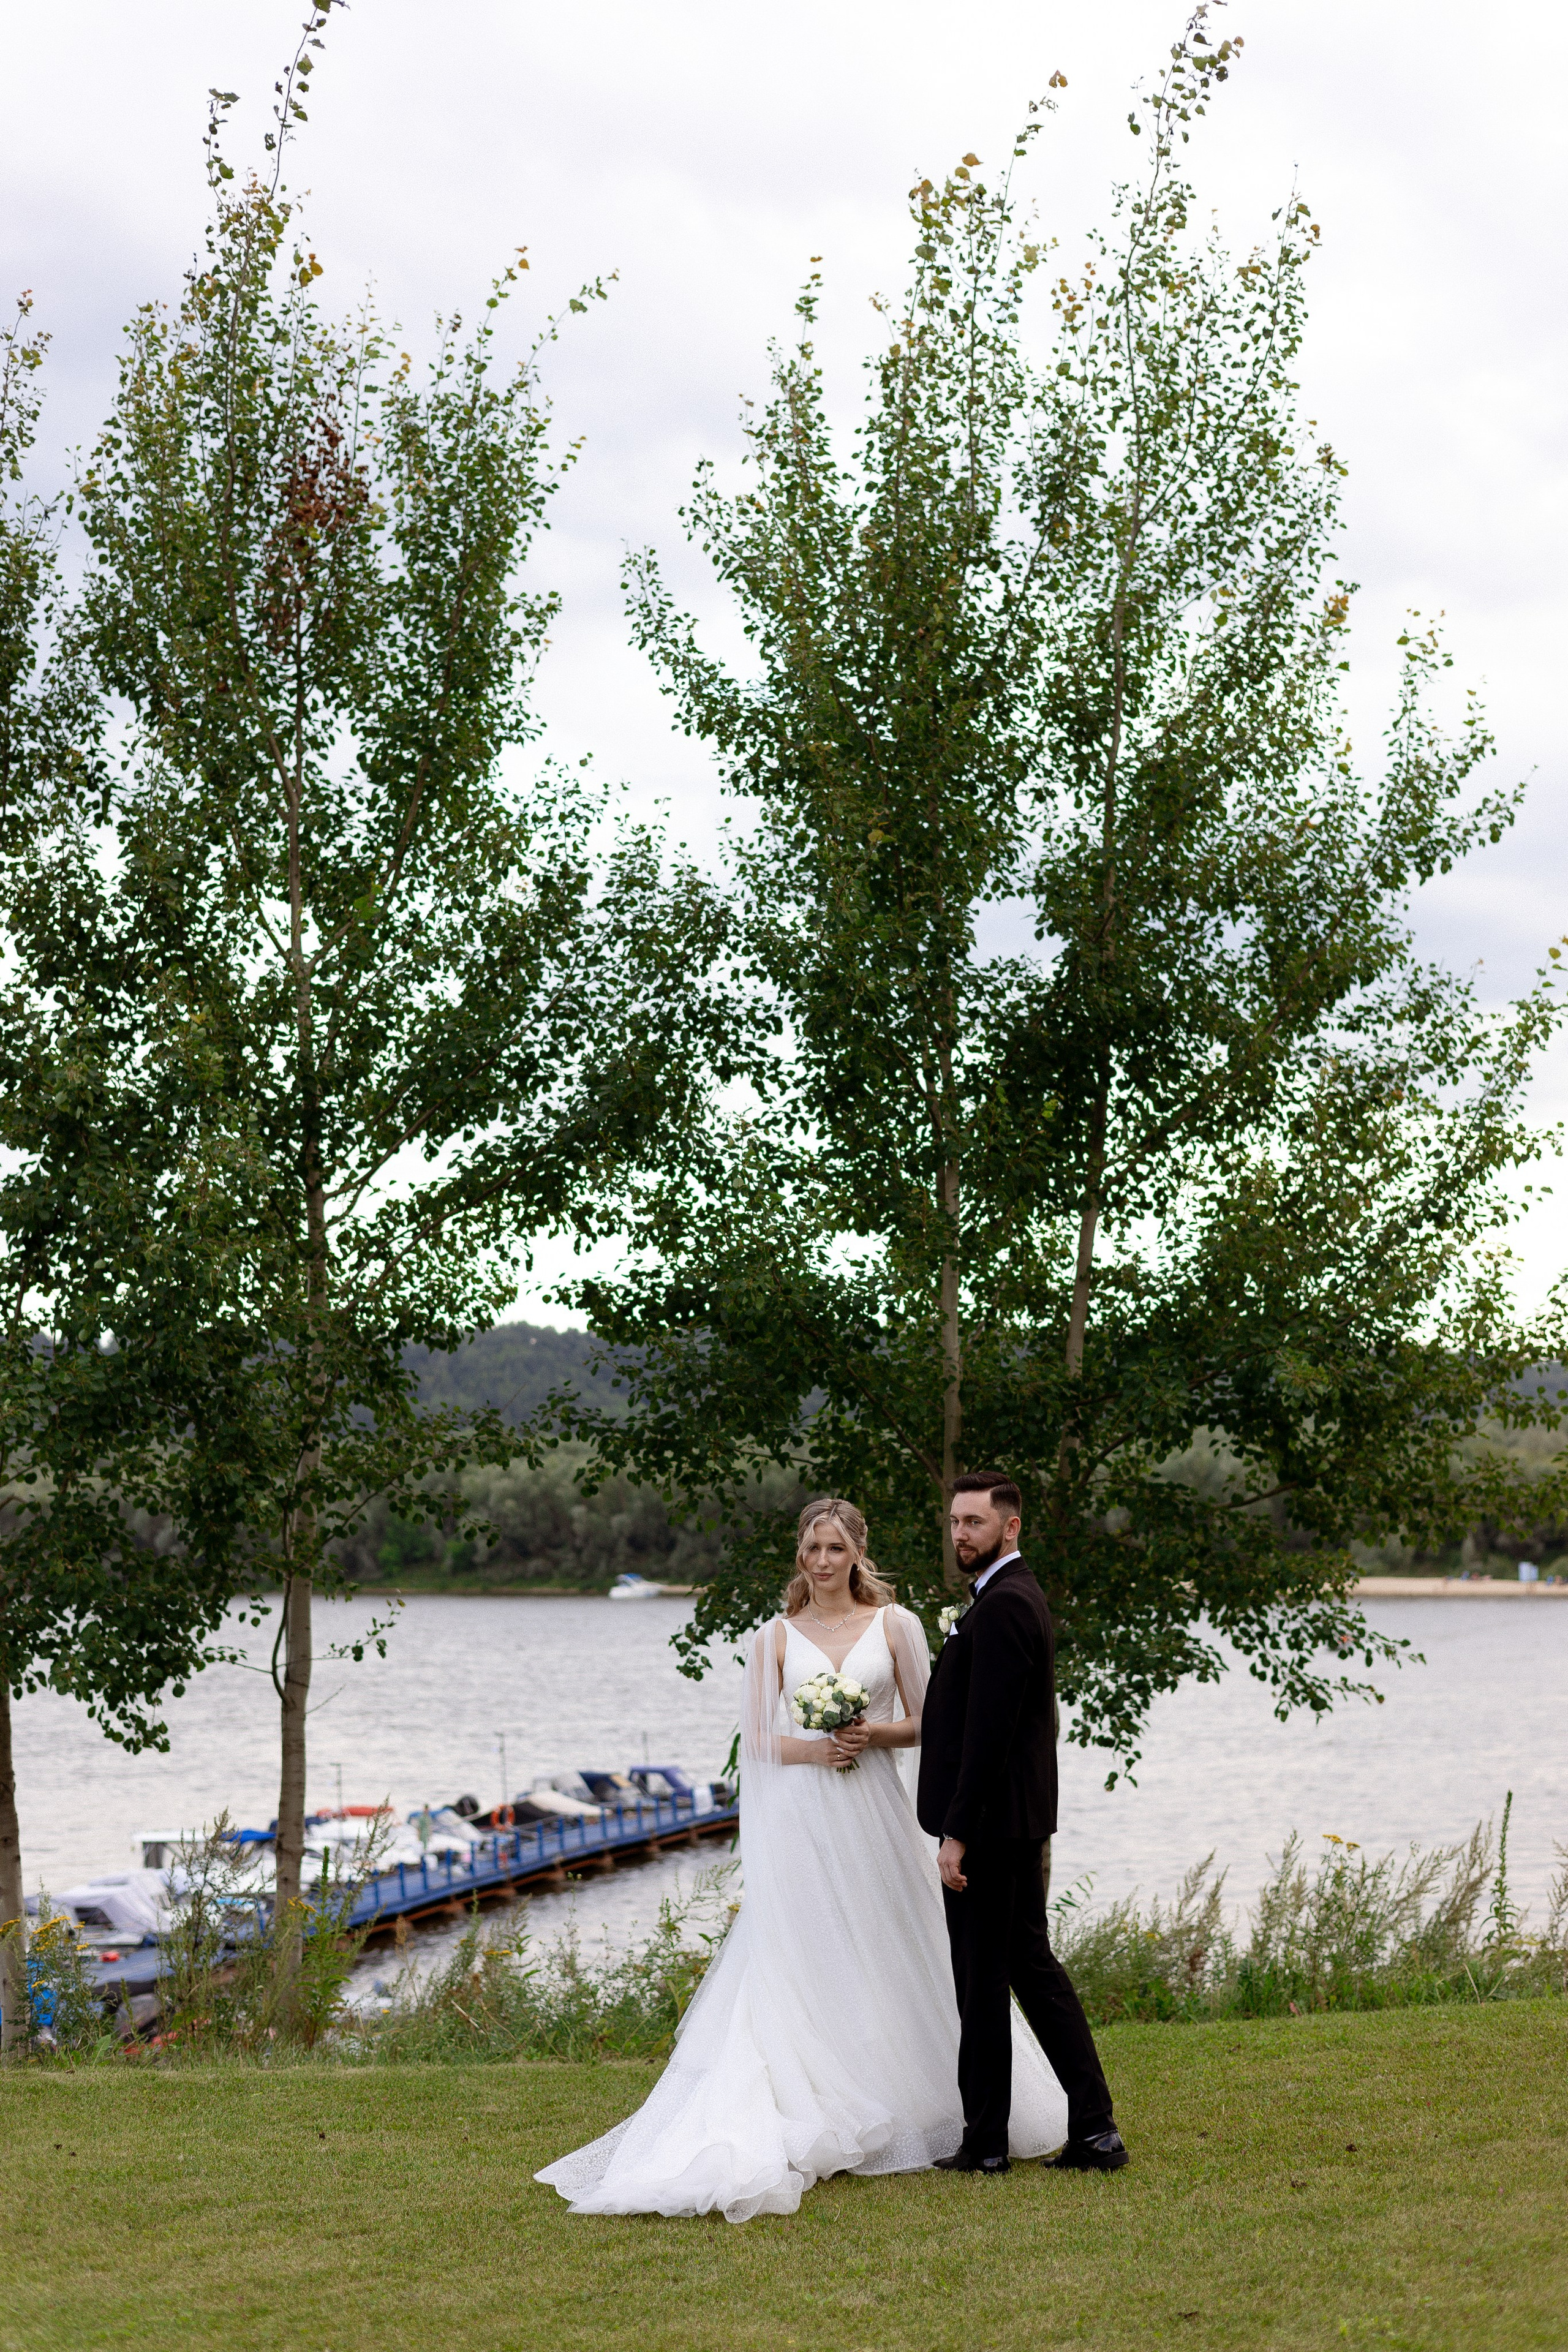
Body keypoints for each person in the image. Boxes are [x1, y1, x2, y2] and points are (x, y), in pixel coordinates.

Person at [535, 1496, 1069, 2223]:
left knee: (894, 1943)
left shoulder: (897, 1625)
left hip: (877, 1809)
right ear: (800, 1555)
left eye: (835, 1549)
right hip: (806, 1814)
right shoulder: (774, 1638)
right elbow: (756, 1740)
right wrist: (818, 1747)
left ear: (857, 1553)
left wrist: (869, 1735)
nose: (822, 1562)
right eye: (812, 1549)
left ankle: (929, 2101)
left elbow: (930, 1723)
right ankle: (820, 2090)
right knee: (809, 1948)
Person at [918, 1471, 1128, 2174]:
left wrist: (958, 1832)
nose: (959, 1536)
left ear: (1009, 1527)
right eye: (954, 1523)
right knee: (1025, 1971)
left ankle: (990, 2144)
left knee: (990, 1982)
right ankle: (1089, 2130)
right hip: (1010, 1824)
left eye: (973, 1523)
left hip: (994, 1830)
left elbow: (992, 1735)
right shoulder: (1004, 1598)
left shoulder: (1006, 1605)